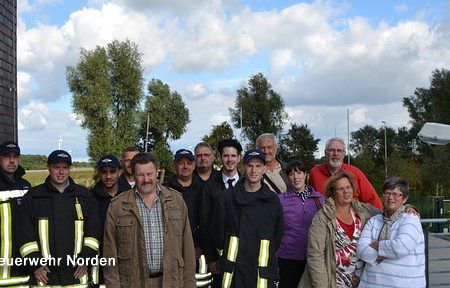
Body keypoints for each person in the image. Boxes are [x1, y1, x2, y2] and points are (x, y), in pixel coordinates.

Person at [103, 152, 196, 288]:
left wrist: (189, 284)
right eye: (140, 175)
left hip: (171, 281)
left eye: (150, 174)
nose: (146, 179)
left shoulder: (176, 201)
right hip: (133, 283)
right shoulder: (117, 206)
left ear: (157, 173)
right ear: (133, 175)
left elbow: (187, 249)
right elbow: (109, 253)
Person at [16, 150, 100, 287]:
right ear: (48, 167)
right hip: (45, 277)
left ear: (69, 169)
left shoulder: (84, 196)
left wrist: (85, 259)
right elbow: (24, 234)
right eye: (56, 167)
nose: (61, 172)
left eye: (65, 168)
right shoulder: (33, 196)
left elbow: (94, 233)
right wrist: (36, 264)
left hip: (77, 276)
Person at [210, 149, 283, 287]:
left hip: (260, 276)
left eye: (258, 166)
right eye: (250, 165)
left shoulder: (272, 200)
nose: (253, 170)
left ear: (264, 169)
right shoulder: (227, 198)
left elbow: (277, 235)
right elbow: (217, 234)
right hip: (233, 275)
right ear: (243, 167)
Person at [299, 172, 380, 288]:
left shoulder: (363, 210)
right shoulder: (323, 218)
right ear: (333, 193)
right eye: (341, 189)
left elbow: (388, 214)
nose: (346, 191)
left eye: (348, 187)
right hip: (333, 283)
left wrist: (407, 208)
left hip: (362, 282)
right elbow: (315, 256)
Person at [357, 177, 425, 287]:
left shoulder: (411, 219)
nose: (390, 197)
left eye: (396, 194)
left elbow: (400, 247)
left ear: (405, 198)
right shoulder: (374, 220)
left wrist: (377, 245)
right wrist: (391, 254)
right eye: (387, 193)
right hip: (372, 284)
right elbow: (361, 250)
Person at [163, 149, 211, 287]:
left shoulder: (204, 189)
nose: (185, 166)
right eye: (181, 163)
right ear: (174, 165)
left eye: (189, 163)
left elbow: (208, 222)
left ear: (194, 165)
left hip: (198, 253)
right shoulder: (163, 190)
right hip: (169, 253)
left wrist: (200, 247)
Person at [199, 139, 242, 287]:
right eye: (226, 156)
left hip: (243, 255)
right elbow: (204, 224)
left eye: (233, 156)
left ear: (239, 158)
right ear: (220, 158)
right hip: (219, 256)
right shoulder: (209, 187)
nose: (229, 160)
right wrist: (211, 258)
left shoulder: (248, 184)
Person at [277, 160, 324, 288]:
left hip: (313, 257)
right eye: (291, 174)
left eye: (299, 173)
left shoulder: (319, 199)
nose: (296, 177)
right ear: (287, 178)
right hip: (287, 258)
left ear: (305, 175)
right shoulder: (280, 200)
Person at [309, 137, 383, 209]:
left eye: (339, 151)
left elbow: (374, 202)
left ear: (344, 154)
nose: (335, 154)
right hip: (323, 219)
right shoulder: (314, 173)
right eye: (331, 150)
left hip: (352, 219)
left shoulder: (355, 173)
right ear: (325, 153)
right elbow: (309, 200)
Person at [91, 154, 131, 287]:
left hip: (128, 257)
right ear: (99, 173)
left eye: (112, 172)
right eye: (104, 172)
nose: (108, 177)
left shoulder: (131, 195)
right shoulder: (90, 198)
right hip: (101, 259)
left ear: (120, 172)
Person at [0, 141, 31, 287]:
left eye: (15, 157)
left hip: (23, 257)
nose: (12, 161)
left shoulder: (26, 186)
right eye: (7, 156)